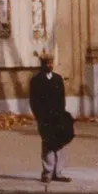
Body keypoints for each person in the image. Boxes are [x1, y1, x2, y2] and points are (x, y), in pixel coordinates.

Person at [28, 54, 74, 182]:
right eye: (46, 63)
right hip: (45, 118)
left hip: (57, 116)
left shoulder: (58, 79)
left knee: (59, 143)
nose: (49, 65)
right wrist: (39, 116)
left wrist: (62, 114)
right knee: (48, 143)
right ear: (42, 64)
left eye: (51, 63)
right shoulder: (36, 80)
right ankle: (47, 172)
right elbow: (34, 101)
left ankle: (58, 173)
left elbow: (62, 99)